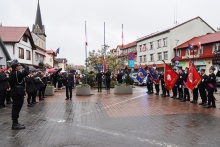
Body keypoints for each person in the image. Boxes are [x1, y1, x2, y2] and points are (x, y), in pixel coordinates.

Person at [9, 59, 29, 130]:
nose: (20, 66)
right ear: (16, 67)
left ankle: (16, 122)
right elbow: (26, 72)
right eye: (18, 65)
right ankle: (15, 124)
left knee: (16, 107)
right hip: (17, 92)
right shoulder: (16, 73)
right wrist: (24, 65)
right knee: (16, 108)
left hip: (16, 91)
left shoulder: (13, 73)